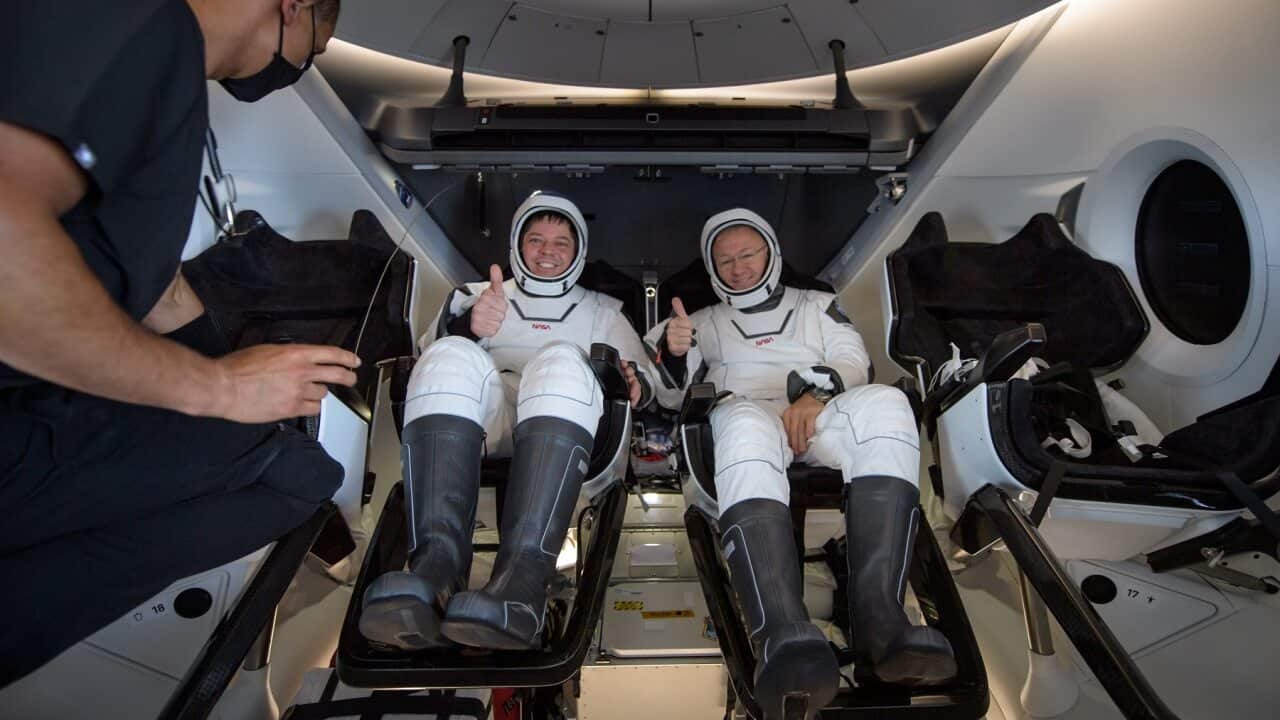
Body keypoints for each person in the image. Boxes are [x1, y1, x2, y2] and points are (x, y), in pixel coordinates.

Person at [0, 0, 353, 687]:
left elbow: (151, 280)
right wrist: (218, 389)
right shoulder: (141, 27)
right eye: (316, 43)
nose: (303, 65)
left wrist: (233, 377)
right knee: (295, 475)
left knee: (294, 468)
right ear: (293, 7)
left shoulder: (164, 68)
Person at [645, 209, 957, 718]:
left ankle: (882, 618)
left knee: (887, 403)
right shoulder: (696, 322)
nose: (739, 268)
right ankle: (780, 629)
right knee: (742, 420)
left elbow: (855, 360)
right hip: (746, 417)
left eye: (748, 254)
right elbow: (665, 390)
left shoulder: (818, 304)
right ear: (711, 267)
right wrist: (672, 350)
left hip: (819, 412)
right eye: (725, 260)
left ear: (771, 253)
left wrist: (815, 393)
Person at [360, 191, 654, 651]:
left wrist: (633, 379)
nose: (548, 252)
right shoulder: (474, 297)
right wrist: (469, 329)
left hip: (568, 420)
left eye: (561, 242)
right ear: (518, 244)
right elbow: (423, 356)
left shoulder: (604, 312)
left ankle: (521, 585)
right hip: (488, 423)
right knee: (448, 355)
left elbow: (644, 379)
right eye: (536, 240)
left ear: (578, 251)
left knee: (559, 360)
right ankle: (436, 567)